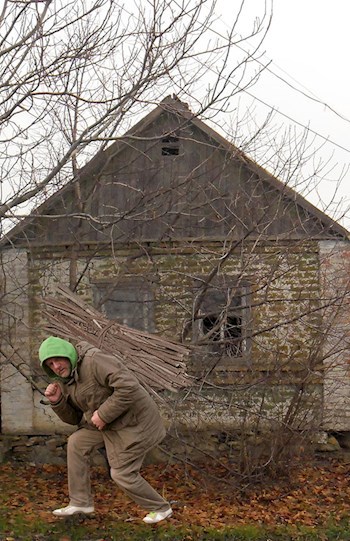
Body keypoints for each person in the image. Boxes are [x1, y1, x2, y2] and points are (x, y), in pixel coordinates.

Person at [39, 335, 173, 524]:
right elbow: (74, 418)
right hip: (108, 425)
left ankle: (160, 508)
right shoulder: (65, 380)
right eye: (50, 364)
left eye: (58, 359)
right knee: (77, 442)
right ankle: (81, 502)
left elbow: (129, 387)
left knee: (121, 473)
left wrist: (103, 415)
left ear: (67, 353)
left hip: (136, 422)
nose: (56, 367)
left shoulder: (94, 361)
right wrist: (57, 401)